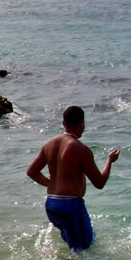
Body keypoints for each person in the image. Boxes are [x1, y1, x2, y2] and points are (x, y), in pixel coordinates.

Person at [27, 105, 119, 251]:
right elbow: (99, 183)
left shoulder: (49, 144)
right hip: (70, 206)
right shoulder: (80, 149)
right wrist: (109, 161)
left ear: (64, 123)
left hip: (51, 204)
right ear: (82, 123)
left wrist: (52, 184)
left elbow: (32, 172)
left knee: (74, 247)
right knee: (84, 249)